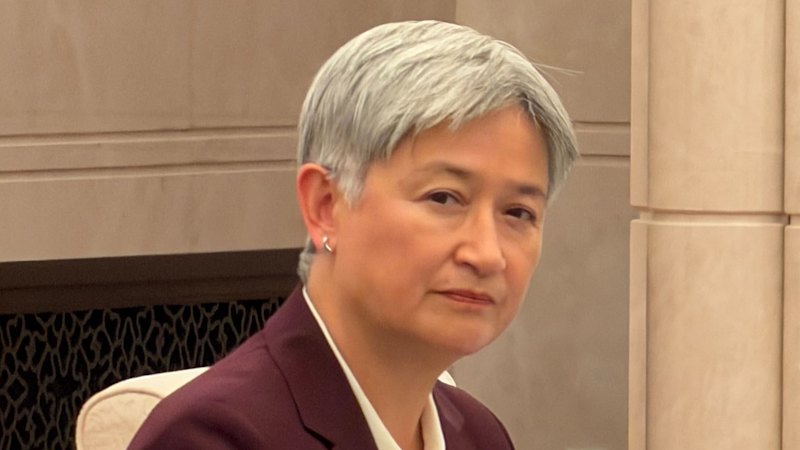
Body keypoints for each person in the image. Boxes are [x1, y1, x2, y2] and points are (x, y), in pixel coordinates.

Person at [129, 19, 577, 450]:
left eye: (518, 212)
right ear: (325, 206)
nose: (487, 254)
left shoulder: (480, 435)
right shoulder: (211, 437)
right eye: (443, 198)